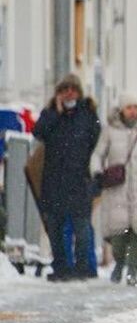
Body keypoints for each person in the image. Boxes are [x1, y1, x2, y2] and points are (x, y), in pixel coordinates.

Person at [32, 74, 101, 281]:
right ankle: (61, 267)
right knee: (55, 228)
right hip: (54, 181)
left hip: (79, 180)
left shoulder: (87, 114)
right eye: (64, 89)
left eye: (73, 89)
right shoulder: (51, 113)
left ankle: (82, 267)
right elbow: (38, 132)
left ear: (79, 93)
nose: (69, 93)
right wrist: (57, 113)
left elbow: (95, 140)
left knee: (82, 228)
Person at [92, 94, 137, 286]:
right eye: (129, 107)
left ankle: (132, 272)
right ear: (121, 110)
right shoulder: (109, 131)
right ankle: (120, 262)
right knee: (118, 236)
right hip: (117, 189)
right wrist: (97, 172)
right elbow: (98, 154)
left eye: (136, 107)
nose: (133, 111)